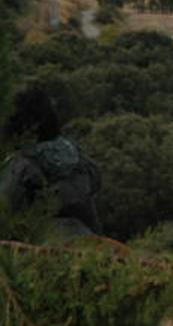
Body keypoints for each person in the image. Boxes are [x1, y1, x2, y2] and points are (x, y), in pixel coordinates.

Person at [0, 85, 102, 240]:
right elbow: (96, 182)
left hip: (40, 242)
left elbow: (4, 207)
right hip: (89, 234)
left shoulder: (21, 165)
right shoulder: (78, 155)